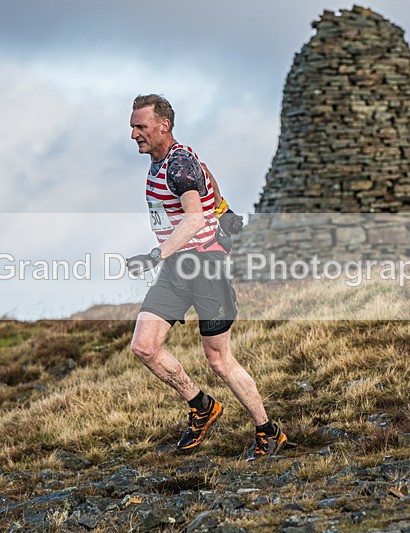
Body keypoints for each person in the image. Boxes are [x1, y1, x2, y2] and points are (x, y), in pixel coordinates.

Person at [126, 94, 290, 461]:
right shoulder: (168, 160)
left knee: (219, 361)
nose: (134, 133)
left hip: (205, 267)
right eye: (132, 126)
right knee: (144, 347)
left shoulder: (178, 164)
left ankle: (268, 432)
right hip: (177, 269)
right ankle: (202, 406)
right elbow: (206, 177)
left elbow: (194, 219)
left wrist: (156, 255)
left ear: (163, 126)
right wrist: (225, 208)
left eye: (141, 126)